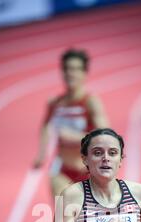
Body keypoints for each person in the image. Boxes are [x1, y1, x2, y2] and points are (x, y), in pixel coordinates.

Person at [33, 49, 108, 197]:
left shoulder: (91, 102)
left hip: (89, 173)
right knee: (63, 216)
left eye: (75, 69)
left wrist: (76, 137)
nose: (70, 73)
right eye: (67, 69)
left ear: (84, 73)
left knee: (85, 219)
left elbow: (106, 138)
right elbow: (45, 126)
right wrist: (41, 154)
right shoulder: (55, 103)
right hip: (62, 170)